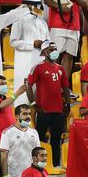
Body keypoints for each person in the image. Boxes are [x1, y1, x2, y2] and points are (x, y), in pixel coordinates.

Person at [44, 0, 88, 78]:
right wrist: (60, 7)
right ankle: (52, 83)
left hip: (74, 27)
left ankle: (63, 86)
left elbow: (86, 3)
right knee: (55, 56)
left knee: (69, 57)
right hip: (58, 25)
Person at [26, 41, 69, 169]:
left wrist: (67, 104)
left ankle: (55, 165)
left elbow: (66, 88)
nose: (54, 51)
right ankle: (38, 166)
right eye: (51, 49)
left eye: (55, 49)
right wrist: (33, 103)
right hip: (43, 111)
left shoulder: (61, 69)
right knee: (40, 140)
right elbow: (28, 85)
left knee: (56, 140)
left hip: (58, 111)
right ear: (44, 52)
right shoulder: (38, 67)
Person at [9, 4, 49, 106]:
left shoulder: (43, 23)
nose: (40, 9)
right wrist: (32, 44)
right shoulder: (19, 20)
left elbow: (48, 41)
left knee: (40, 94)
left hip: (40, 62)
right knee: (23, 95)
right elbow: (13, 42)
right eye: (37, 6)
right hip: (25, 61)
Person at [0, 104, 41, 177]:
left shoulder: (34, 132)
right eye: (25, 114)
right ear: (17, 116)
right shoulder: (7, 133)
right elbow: (3, 157)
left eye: (29, 113)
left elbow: (37, 155)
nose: (28, 116)